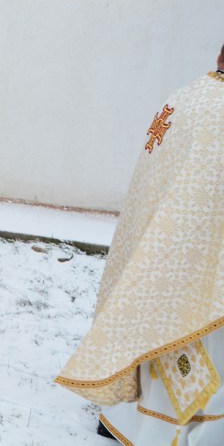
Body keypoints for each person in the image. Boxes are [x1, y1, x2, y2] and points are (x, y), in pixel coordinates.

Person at [56, 47, 224, 444]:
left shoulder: (187, 95)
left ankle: (125, 417)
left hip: (161, 249)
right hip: (198, 261)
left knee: (152, 335)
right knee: (193, 341)